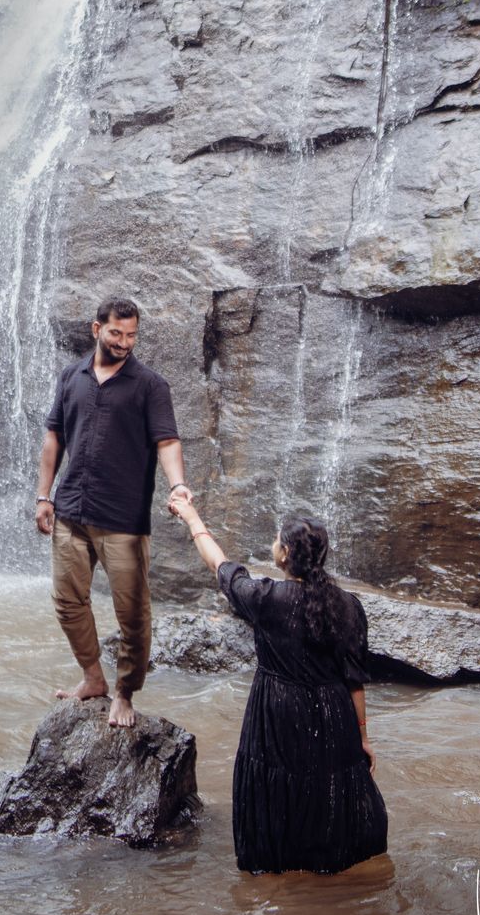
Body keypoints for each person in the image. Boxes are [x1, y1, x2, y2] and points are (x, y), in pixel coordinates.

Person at [169, 493, 388, 875]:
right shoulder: (349, 605)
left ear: (285, 554)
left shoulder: (266, 597)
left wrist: (191, 518)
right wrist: (363, 736)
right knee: (325, 787)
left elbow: (220, 565)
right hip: (333, 713)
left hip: (277, 710)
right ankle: (326, 874)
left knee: (274, 786)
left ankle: (277, 875)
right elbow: (355, 681)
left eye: (276, 540)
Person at [36, 297, 192, 728]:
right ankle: (93, 679)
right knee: (67, 602)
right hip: (69, 511)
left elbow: (168, 442)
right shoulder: (72, 376)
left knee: (133, 616)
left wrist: (178, 485)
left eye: (131, 335)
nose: (124, 343)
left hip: (123, 520)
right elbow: (54, 438)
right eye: (116, 333)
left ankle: (125, 693)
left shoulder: (150, 386)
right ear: (95, 329)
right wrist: (43, 496)